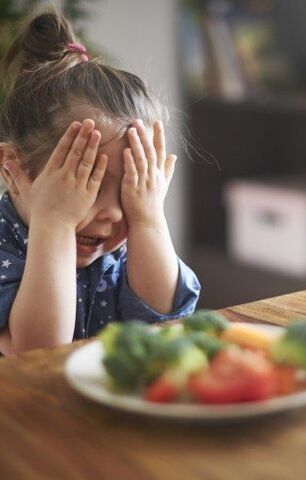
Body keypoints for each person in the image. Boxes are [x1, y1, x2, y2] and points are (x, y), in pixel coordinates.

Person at [0, 9, 200, 355]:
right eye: (87, 184)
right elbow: (39, 352)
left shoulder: (125, 242)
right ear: (12, 168)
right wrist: (55, 224)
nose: (113, 213)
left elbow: (165, 318)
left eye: (130, 189)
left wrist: (148, 218)